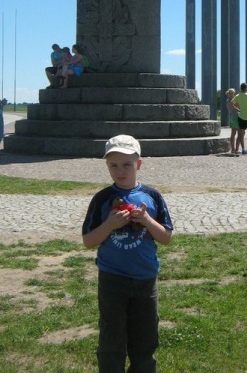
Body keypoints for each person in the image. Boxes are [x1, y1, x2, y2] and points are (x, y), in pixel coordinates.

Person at [82, 134, 173, 373]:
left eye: (127, 165)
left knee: (145, 340)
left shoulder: (152, 197)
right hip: (112, 279)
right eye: (114, 165)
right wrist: (110, 225)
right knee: (111, 339)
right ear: (107, 166)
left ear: (138, 164)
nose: (120, 171)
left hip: (145, 279)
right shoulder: (102, 199)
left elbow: (166, 237)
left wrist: (146, 220)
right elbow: (88, 241)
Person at [225, 88, 243, 154]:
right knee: (238, 133)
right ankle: (235, 149)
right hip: (236, 117)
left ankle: (234, 149)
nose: (233, 94)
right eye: (232, 93)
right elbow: (236, 106)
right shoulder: (230, 101)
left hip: (234, 117)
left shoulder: (230, 100)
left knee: (235, 133)